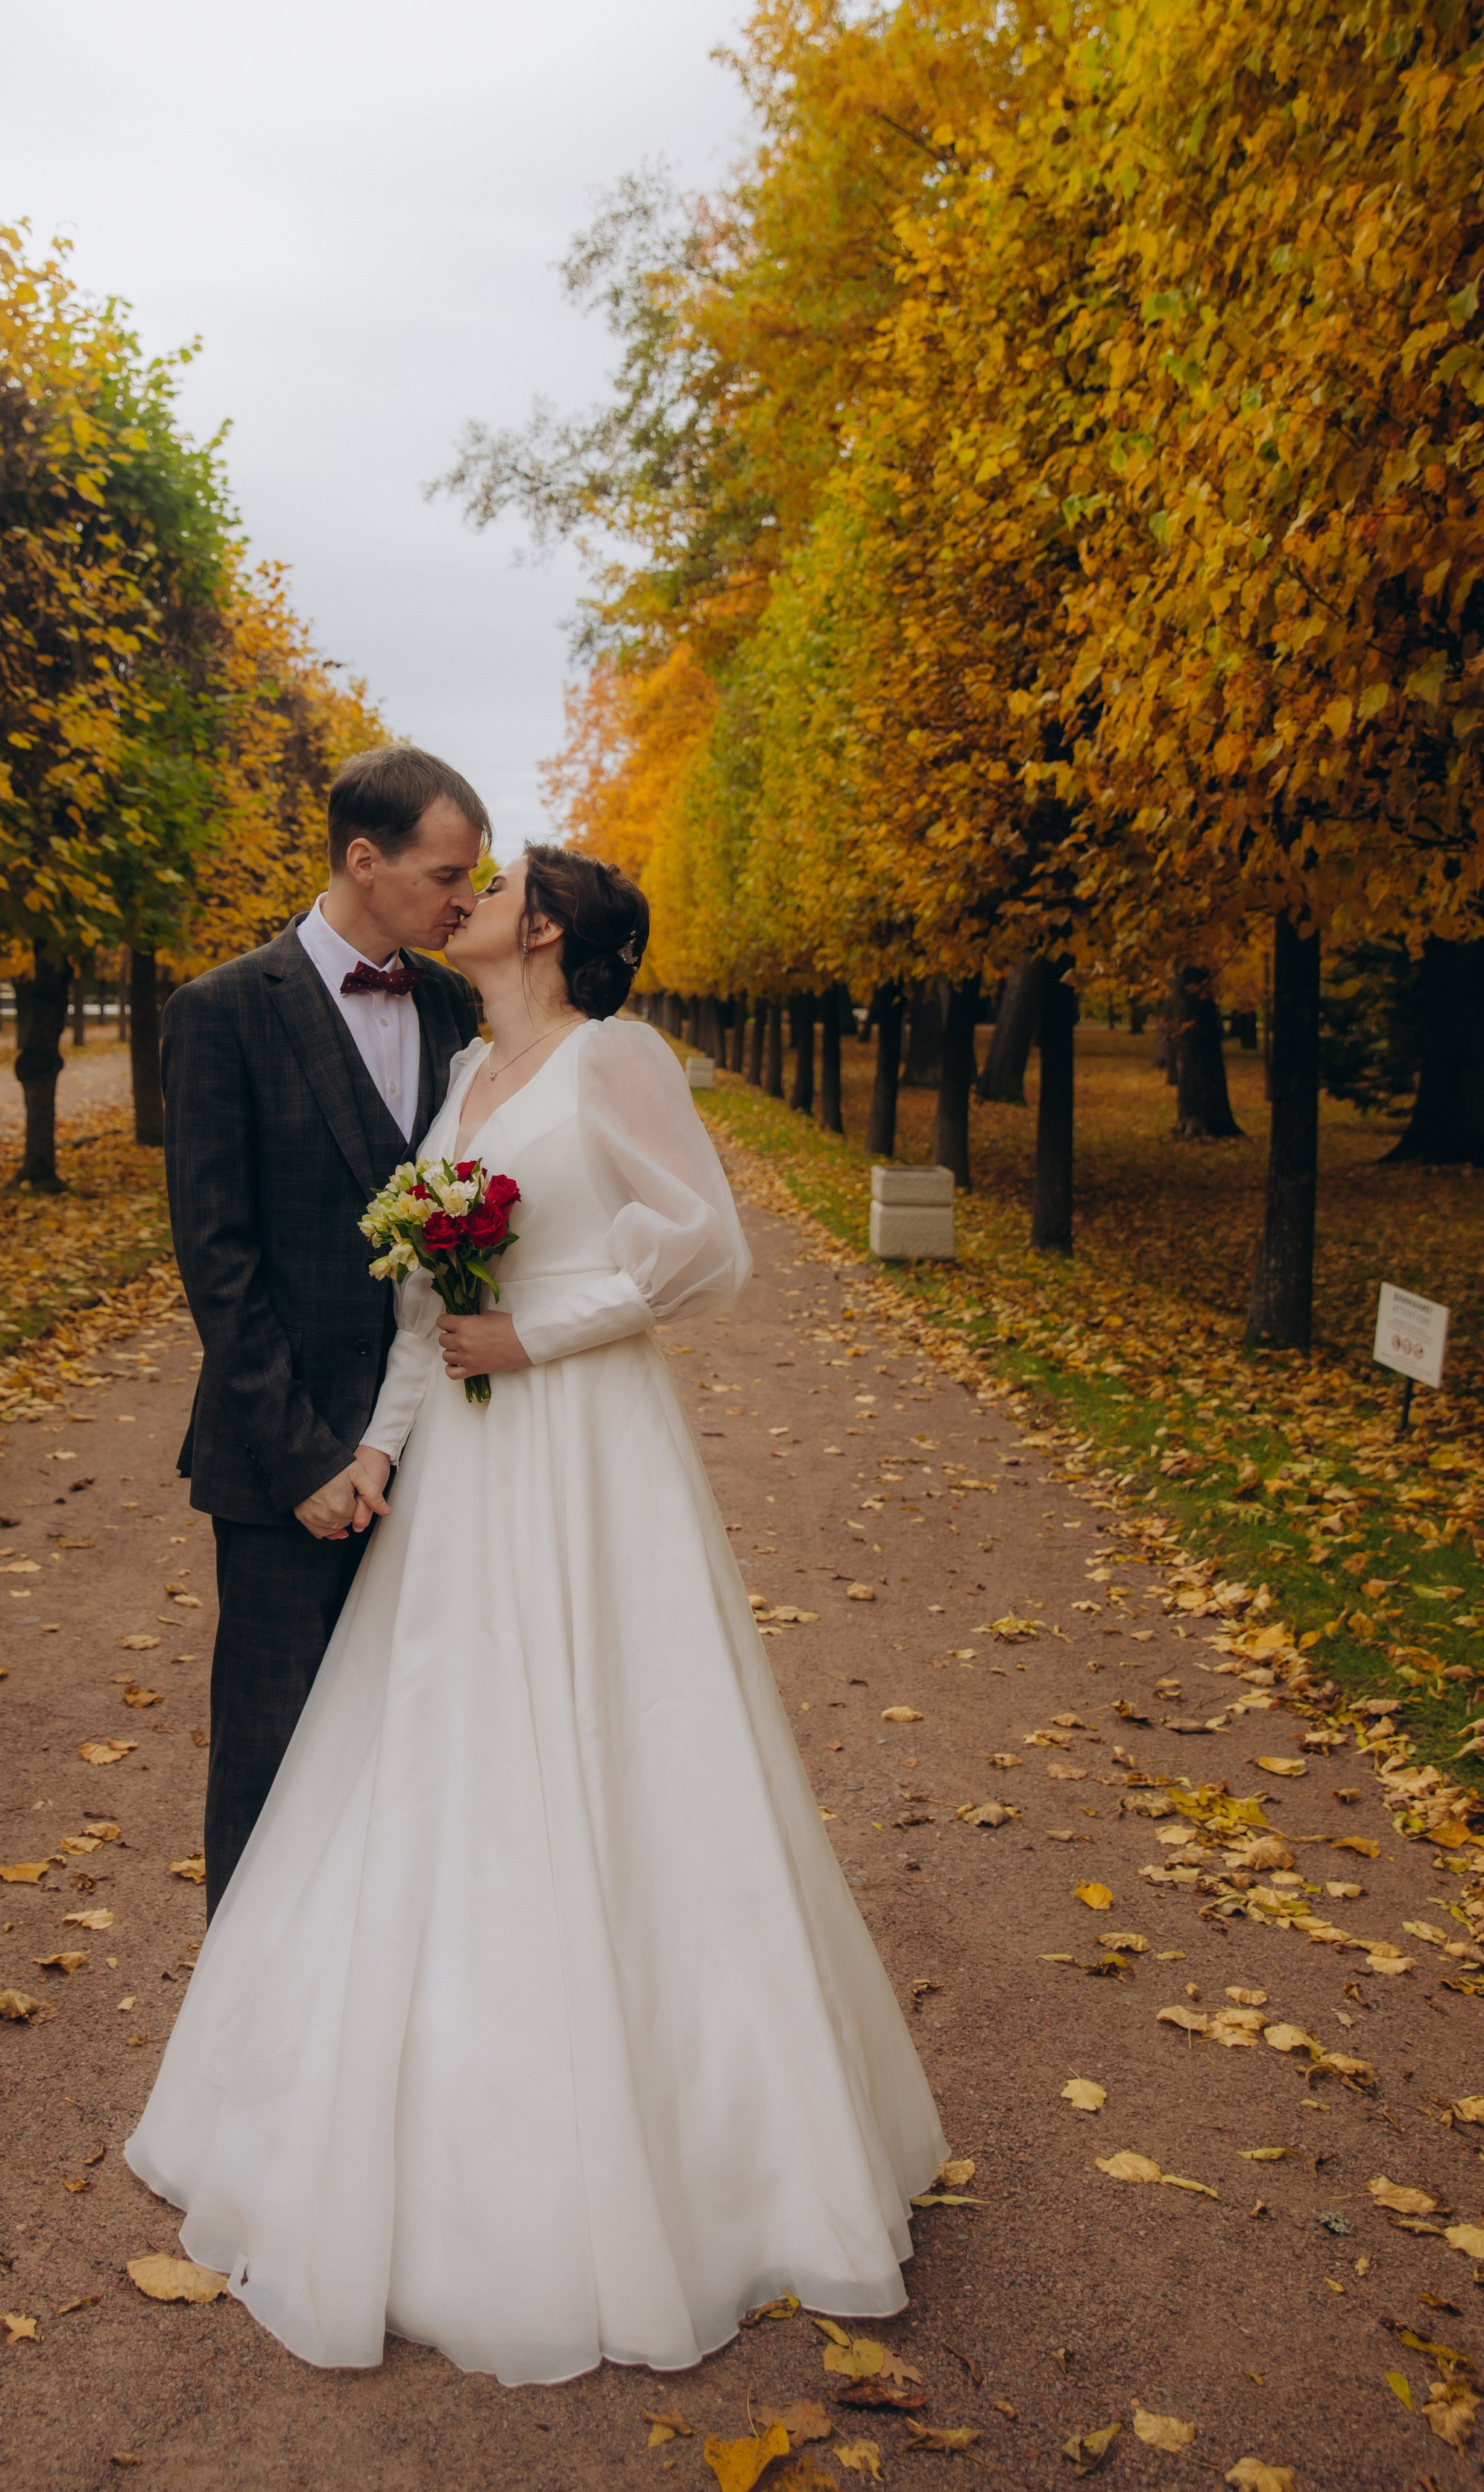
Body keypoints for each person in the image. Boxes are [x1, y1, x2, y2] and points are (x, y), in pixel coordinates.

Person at [129, 844, 945, 2386]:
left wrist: (546, 1329)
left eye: (494, 881)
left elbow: (708, 1246)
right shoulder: (457, 1076)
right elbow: (425, 1312)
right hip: (465, 1476)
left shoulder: (612, 1058)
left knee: (624, 1742)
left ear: (546, 927)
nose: (470, 896)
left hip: (586, 1451)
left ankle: (696, 2137)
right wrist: (372, 1448)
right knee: (442, 1756)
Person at [162, 743, 486, 1912]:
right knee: (272, 1754)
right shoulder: (219, 1013)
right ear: (364, 856)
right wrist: (307, 1459)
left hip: (442, 1456)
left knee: (424, 1747)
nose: (465, 901)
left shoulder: (459, 1006)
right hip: (280, 1467)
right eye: (448, 874)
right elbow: (219, 1259)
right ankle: (243, 2054)